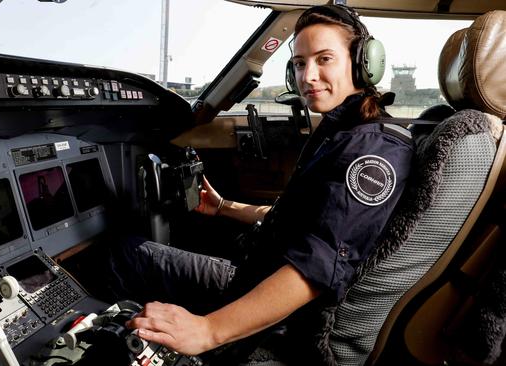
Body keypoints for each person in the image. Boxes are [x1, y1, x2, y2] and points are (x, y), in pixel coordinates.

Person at [108, 4, 415, 362]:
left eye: (324, 59)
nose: (308, 76)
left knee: (126, 253)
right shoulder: (343, 130)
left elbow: (317, 266)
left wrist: (208, 330)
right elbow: (297, 220)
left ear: (362, 64)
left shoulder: (373, 150)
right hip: (258, 271)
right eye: (300, 63)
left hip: (281, 311)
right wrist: (224, 207)